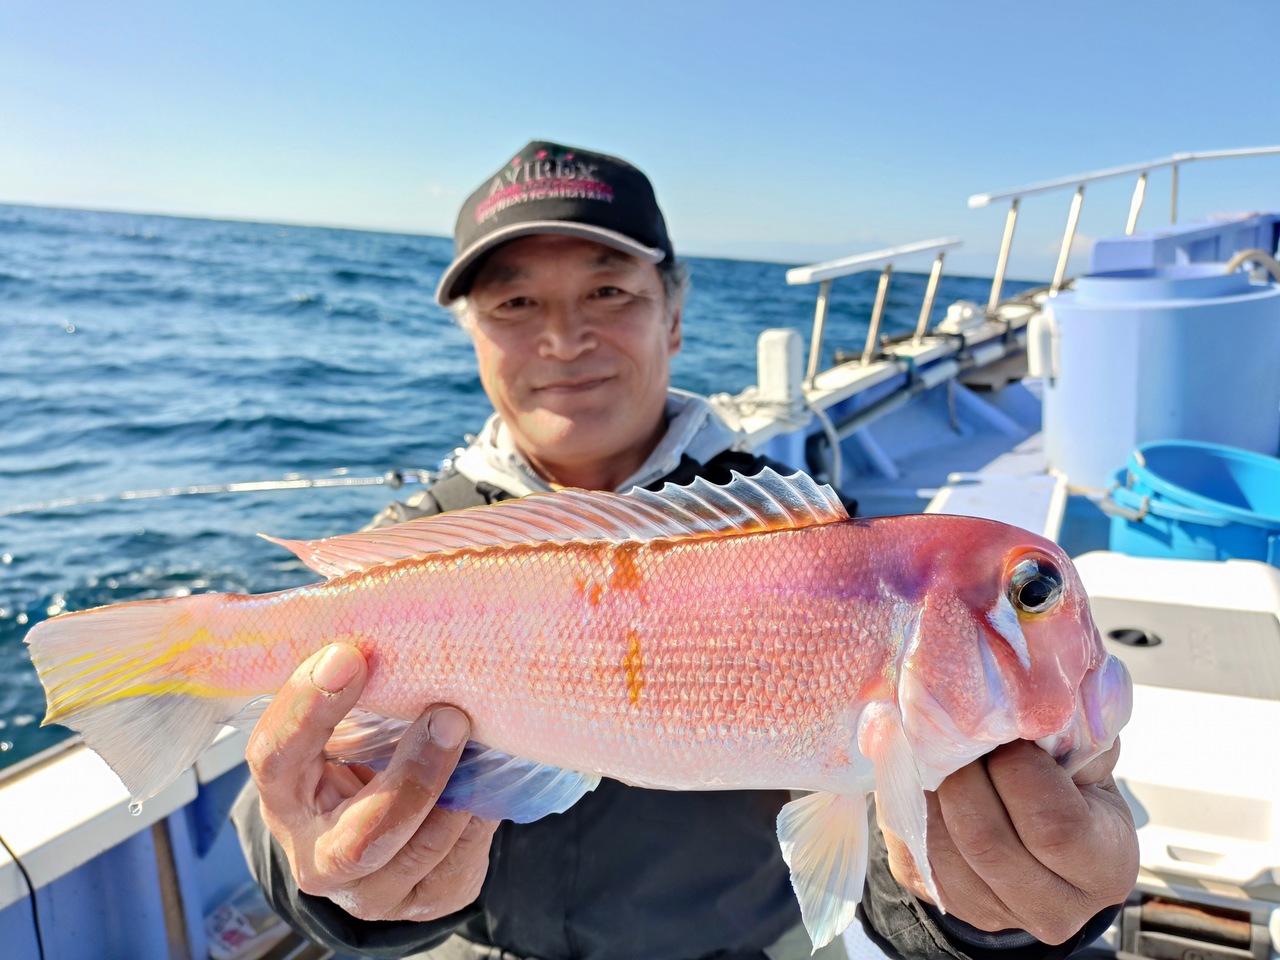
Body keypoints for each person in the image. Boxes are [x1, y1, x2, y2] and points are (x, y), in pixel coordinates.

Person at [232, 141, 1138, 960]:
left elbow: (877, 857)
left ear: (673, 315)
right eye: (514, 302)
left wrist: (983, 912)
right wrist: (338, 884)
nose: (564, 338)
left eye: (610, 292)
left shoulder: (819, 549)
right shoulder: (405, 556)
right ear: (474, 336)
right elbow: (288, 812)